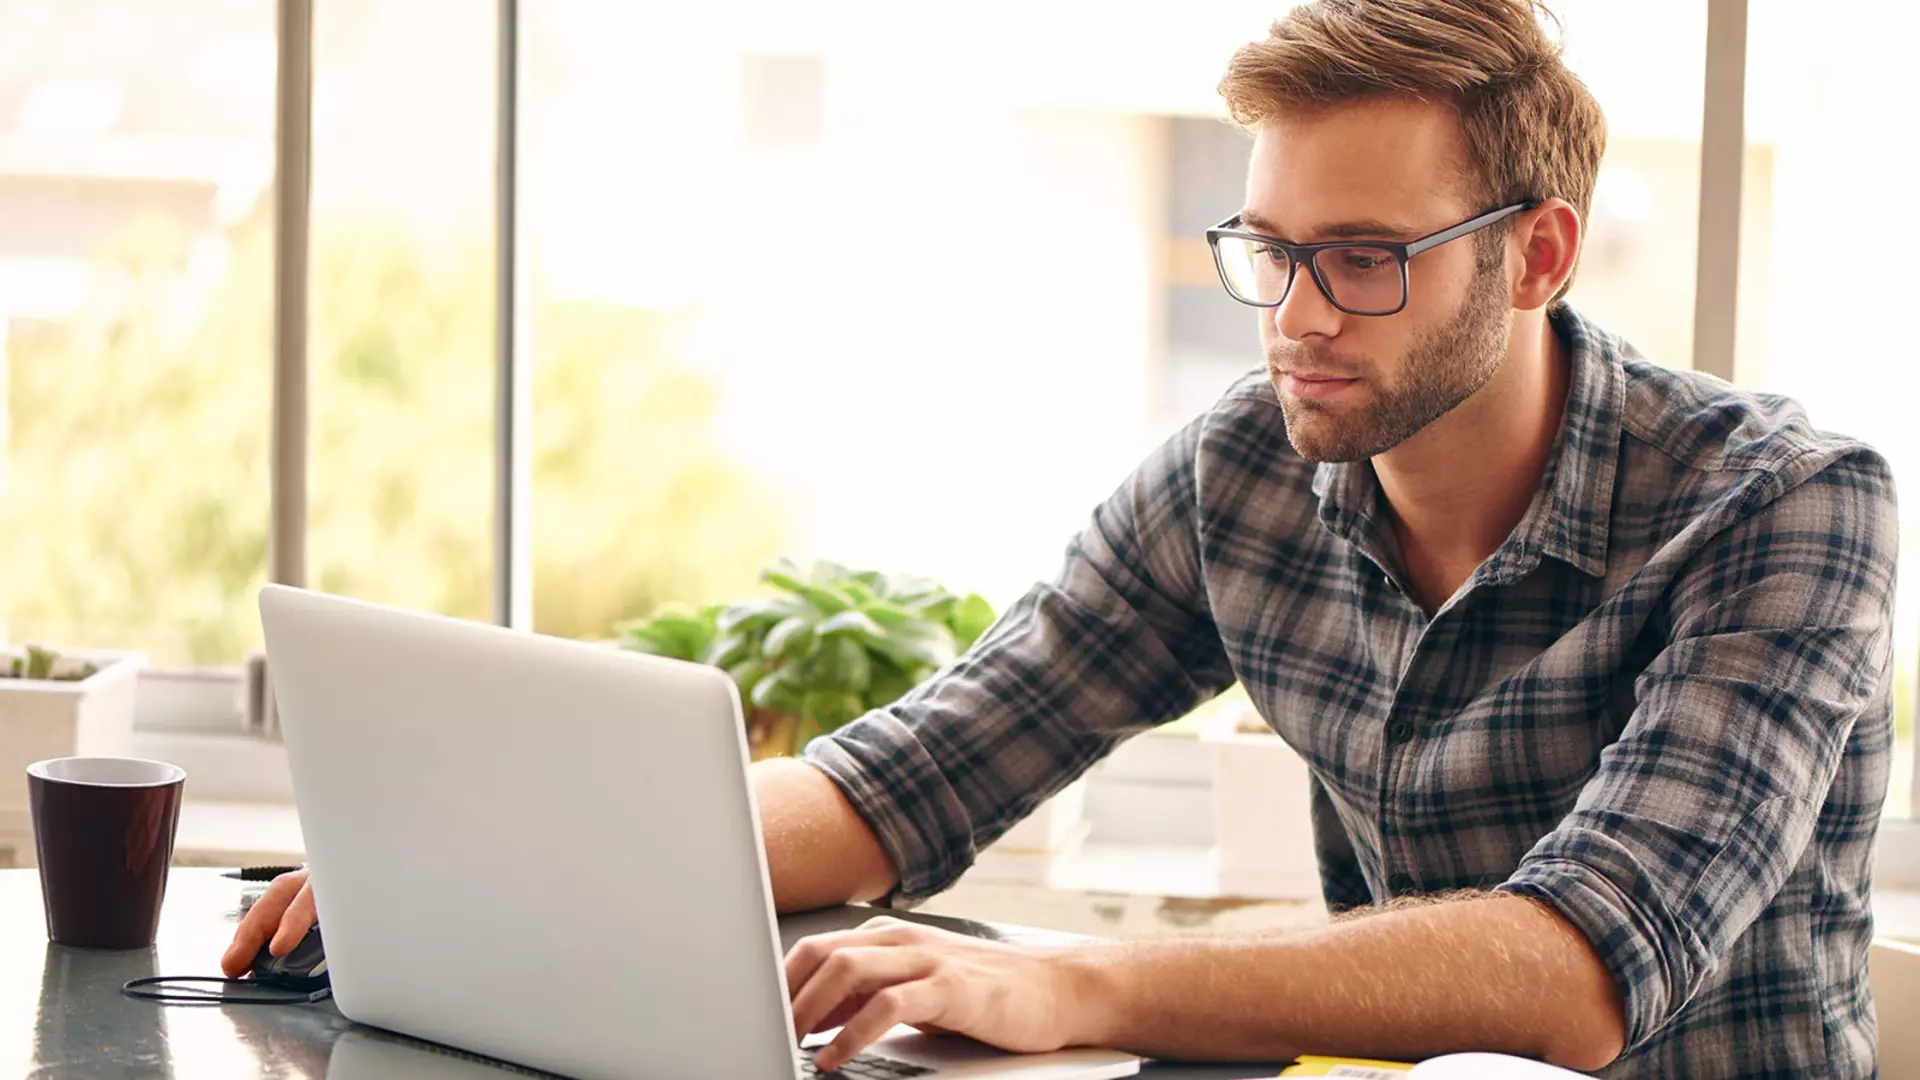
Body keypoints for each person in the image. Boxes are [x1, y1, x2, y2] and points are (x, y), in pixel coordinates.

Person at [224, 1, 1897, 1075]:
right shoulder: (1243, 471)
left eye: (1366, 258)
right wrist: (483, 848)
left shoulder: (1785, 507)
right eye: (1269, 247)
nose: (1296, 317)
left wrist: (1074, 983)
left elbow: (1583, 970)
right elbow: (917, 775)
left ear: (1536, 256)